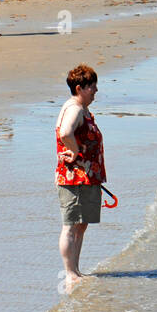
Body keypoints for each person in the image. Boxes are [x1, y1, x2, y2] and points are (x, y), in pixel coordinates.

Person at [56, 64, 107, 292]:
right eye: (92, 87)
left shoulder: (82, 108)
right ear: (80, 88)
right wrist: (75, 151)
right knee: (70, 225)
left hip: (86, 176)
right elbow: (65, 132)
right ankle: (69, 274)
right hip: (74, 177)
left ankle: (76, 270)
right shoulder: (75, 109)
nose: (96, 90)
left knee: (81, 224)